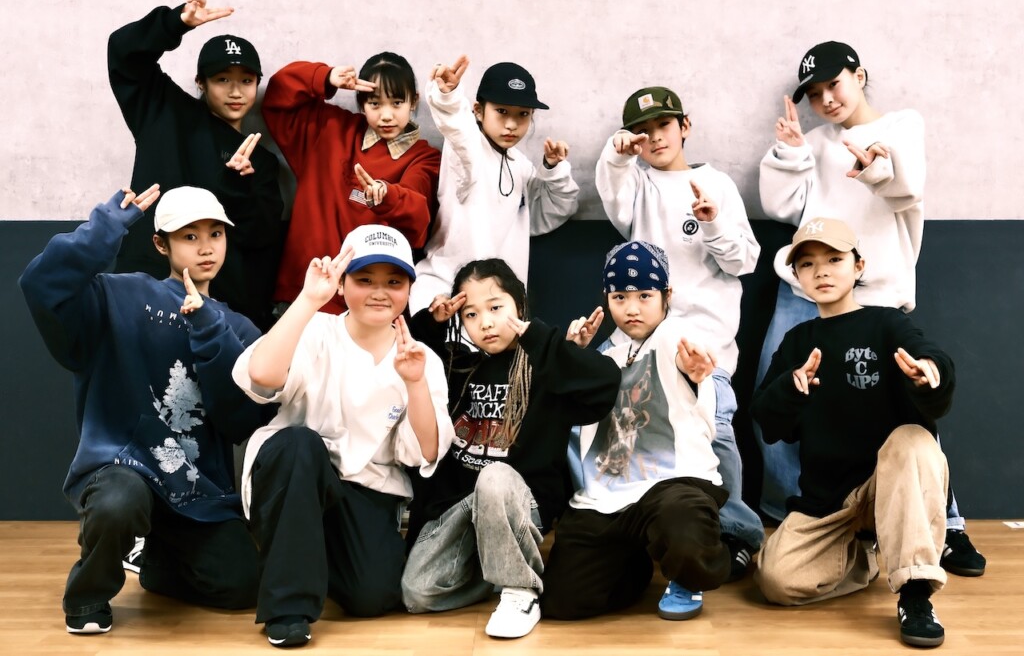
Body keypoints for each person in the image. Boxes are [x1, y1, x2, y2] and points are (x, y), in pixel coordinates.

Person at [756, 41, 983, 576]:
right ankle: (798, 516)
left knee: (908, 405)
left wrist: (876, 167)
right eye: (815, 94)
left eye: (833, 84)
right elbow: (782, 207)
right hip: (804, 291)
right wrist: (791, 154)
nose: (826, 100)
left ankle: (946, 526)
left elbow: (909, 190)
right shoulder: (815, 141)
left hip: (876, 290)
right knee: (781, 389)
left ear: (859, 75)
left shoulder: (902, 125)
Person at [20, 185, 265, 635]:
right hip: (124, 467)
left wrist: (210, 330)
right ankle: (88, 596)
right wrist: (106, 227)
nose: (206, 247)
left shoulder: (240, 328)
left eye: (215, 234)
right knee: (119, 503)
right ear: (160, 244)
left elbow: (239, 420)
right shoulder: (120, 295)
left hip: (196, 491)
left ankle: (155, 559)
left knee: (242, 584)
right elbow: (41, 284)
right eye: (189, 236)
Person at [231, 224, 455, 648]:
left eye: (394, 283)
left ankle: (299, 556)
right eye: (364, 280)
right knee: (302, 444)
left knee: (372, 596)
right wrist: (308, 299)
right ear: (342, 283)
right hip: (295, 473)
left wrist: (414, 383)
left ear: (409, 289)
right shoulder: (317, 329)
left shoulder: (419, 357)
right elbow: (261, 375)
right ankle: (288, 608)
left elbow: (426, 451)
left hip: (366, 488)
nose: (379, 293)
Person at [752, 217, 952, 648]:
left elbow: (930, 358)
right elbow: (769, 424)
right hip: (830, 500)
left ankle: (916, 595)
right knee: (775, 581)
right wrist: (791, 390)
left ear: (858, 266)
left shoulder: (886, 324)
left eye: (834, 259)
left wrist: (928, 373)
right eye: (807, 264)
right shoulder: (797, 340)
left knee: (914, 440)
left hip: (890, 485)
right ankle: (865, 559)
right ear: (797, 276)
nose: (821, 271)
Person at [401, 259, 620, 639]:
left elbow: (604, 384)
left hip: (518, 501)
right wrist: (432, 323)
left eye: (496, 307)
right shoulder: (458, 367)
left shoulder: (544, 365)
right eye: (471, 314)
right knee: (417, 593)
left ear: (519, 305)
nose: (485, 323)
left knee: (495, 476)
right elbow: (413, 354)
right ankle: (498, 569)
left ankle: (520, 591)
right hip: (463, 509)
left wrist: (547, 344)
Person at [596, 85, 763, 580]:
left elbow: (745, 261)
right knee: (608, 416)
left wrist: (712, 225)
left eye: (663, 125)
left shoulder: (717, 184)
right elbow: (615, 199)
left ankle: (736, 533)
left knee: (717, 431)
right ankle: (622, 524)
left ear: (685, 126)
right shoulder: (637, 181)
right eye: (641, 131)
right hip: (644, 338)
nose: (654, 138)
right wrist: (617, 154)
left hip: (705, 341)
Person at [541, 240, 731, 622]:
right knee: (561, 600)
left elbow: (690, 358)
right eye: (620, 297)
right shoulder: (603, 356)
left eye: (645, 295)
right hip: (607, 495)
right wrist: (572, 357)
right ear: (607, 298)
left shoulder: (676, 335)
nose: (631, 308)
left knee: (684, 523)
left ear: (666, 296)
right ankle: (633, 564)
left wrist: (695, 371)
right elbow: (560, 413)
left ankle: (687, 577)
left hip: (672, 482)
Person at [108, 0, 284, 332]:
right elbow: (123, 53)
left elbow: (261, 238)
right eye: (223, 79)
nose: (236, 91)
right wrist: (173, 24)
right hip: (147, 288)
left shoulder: (259, 160)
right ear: (201, 82)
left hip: (219, 309)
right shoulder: (166, 112)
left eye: (247, 80)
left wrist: (241, 185)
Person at [263, 53, 441, 314]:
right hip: (302, 292)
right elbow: (278, 96)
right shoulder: (329, 129)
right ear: (361, 102)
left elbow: (417, 215)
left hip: (365, 306)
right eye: (375, 103)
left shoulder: (424, 158)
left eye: (397, 102)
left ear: (413, 100)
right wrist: (324, 77)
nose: (387, 115)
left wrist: (387, 195)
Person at [409, 56, 579, 312]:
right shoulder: (467, 150)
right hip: (445, 293)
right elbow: (458, 129)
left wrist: (553, 169)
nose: (511, 124)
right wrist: (449, 95)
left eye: (523, 114)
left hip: (498, 305)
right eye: (502, 111)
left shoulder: (520, 164)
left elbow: (553, 211)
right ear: (478, 110)